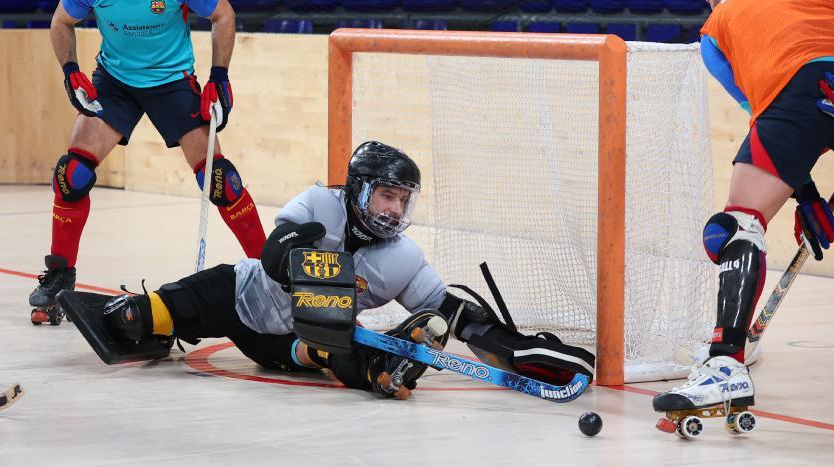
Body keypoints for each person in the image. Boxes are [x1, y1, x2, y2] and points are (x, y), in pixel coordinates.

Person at [59, 142, 594, 398]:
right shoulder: (319, 202)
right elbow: (270, 255)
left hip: (295, 337)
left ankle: (382, 370)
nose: (394, 210)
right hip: (241, 295)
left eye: (402, 201)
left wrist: (513, 349)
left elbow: (453, 313)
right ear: (359, 189)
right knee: (135, 318)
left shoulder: (403, 257)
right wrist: (301, 248)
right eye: (387, 195)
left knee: (331, 346)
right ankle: (141, 316)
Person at [29, 0, 268, 323]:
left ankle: (274, 275)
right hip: (115, 82)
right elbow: (61, 22)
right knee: (72, 174)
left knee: (221, 182)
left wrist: (219, 77)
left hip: (172, 82)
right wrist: (70, 70)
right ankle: (59, 277)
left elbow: (224, 15)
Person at [653, 0, 834, 414]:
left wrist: (803, 192)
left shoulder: (715, 31)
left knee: (734, 227)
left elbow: (765, 113)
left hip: (794, 93)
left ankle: (725, 366)